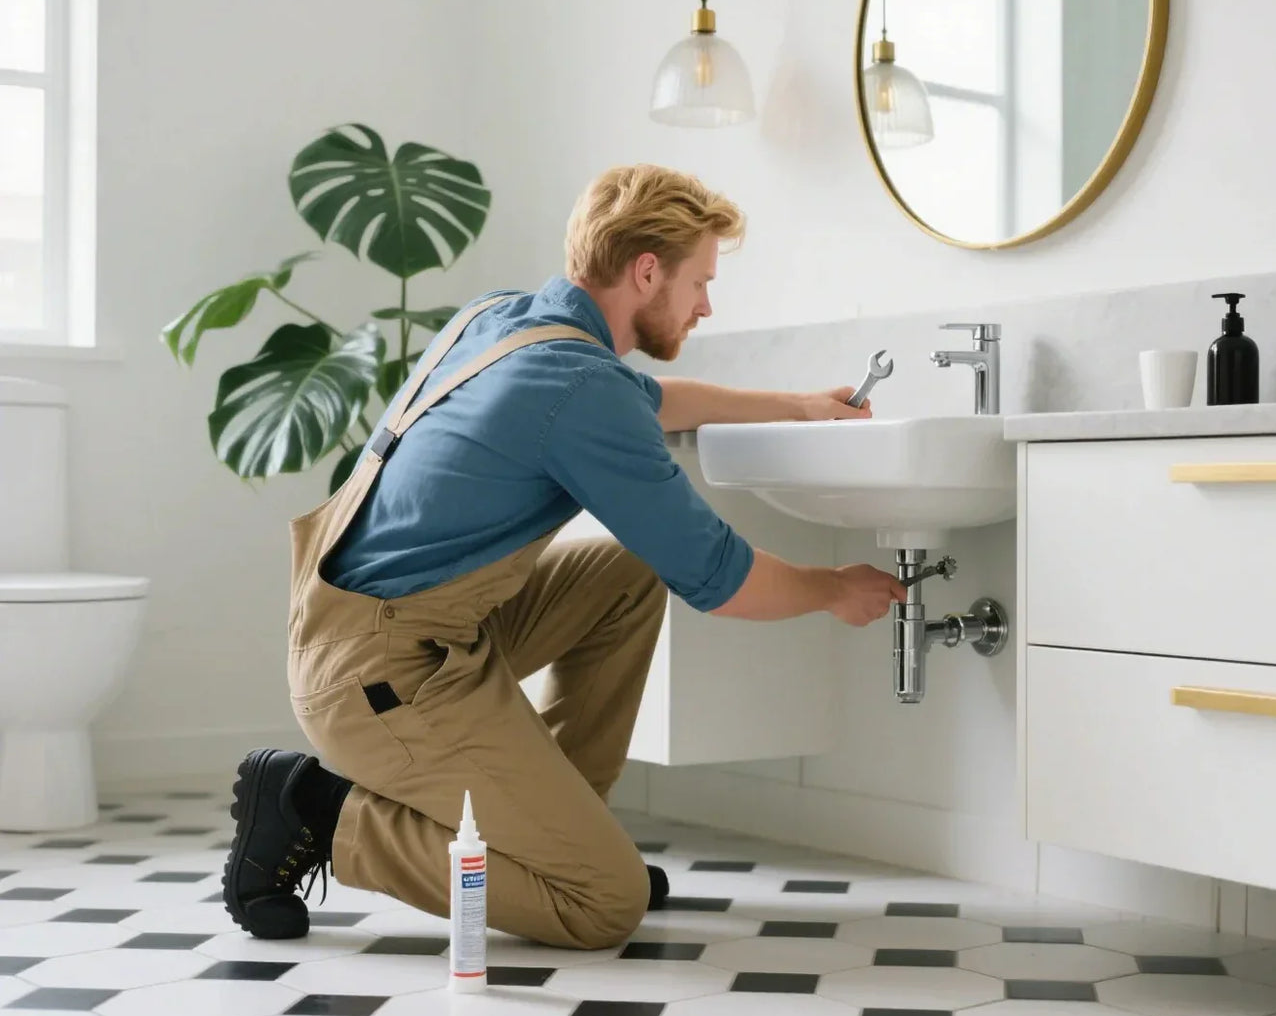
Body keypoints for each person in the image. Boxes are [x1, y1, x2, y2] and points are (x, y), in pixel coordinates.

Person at [220, 164, 907, 950]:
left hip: (381, 633)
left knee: (622, 574)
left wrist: (797, 407)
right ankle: (317, 809)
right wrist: (832, 587)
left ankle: (560, 832)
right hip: (383, 675)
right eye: (698, 282)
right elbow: (722, 579)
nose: (706, 304)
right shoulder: (577, 386)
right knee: (601, 905)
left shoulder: (508, 320)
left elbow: (650, 398)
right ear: (646, 271)